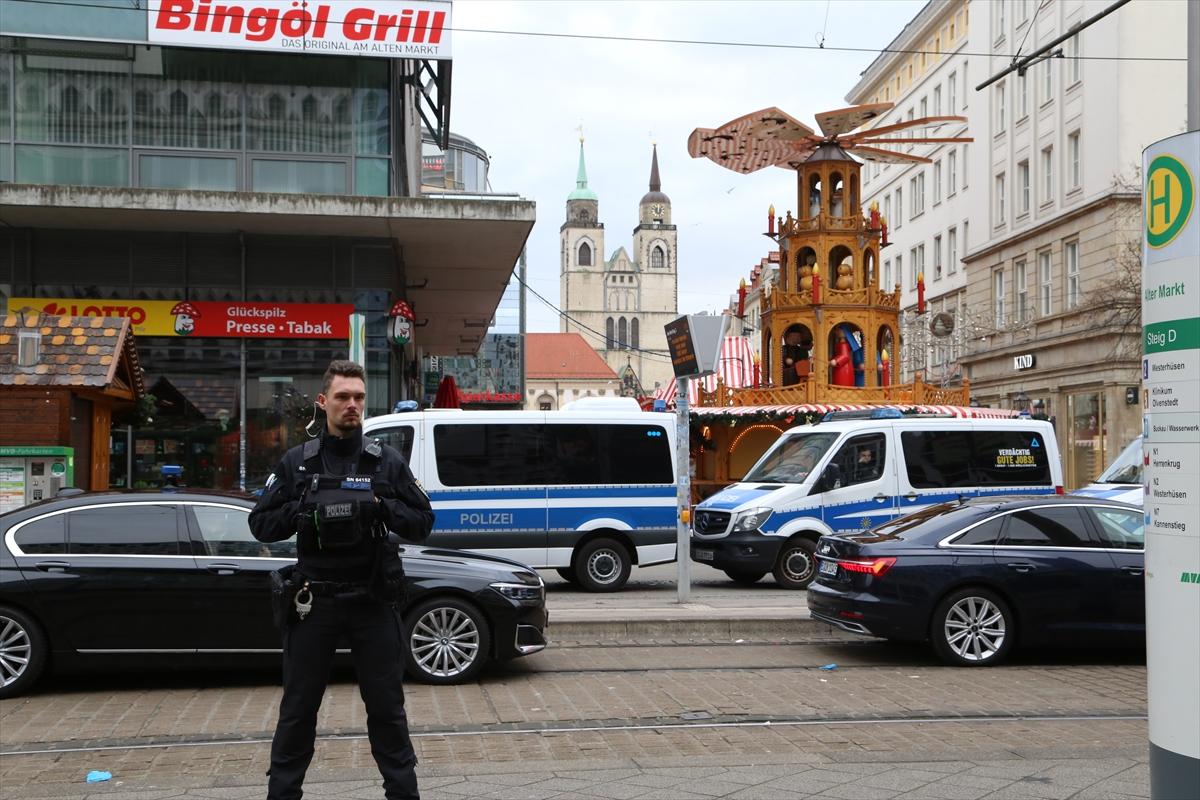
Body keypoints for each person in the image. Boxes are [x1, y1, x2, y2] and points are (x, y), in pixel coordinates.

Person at [250, 360, 434, 800]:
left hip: (372, 600)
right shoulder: (298, 462)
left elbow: (422, 521)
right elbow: (261, 524)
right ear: (323, 402)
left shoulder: (385, 462)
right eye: (342, 397)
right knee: (298, 710)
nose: (351, 405)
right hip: (315, 602)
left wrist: (381, 507)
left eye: (358, 398)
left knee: (387, 709)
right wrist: (303, 513)